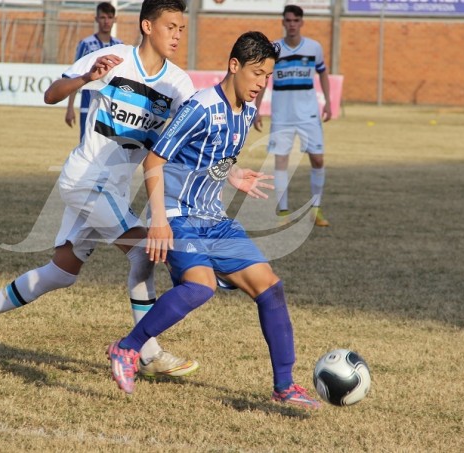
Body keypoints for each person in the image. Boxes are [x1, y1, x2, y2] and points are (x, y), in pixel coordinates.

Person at [0, 0, 199, 379]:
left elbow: (189, 137)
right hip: (86, 180)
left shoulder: (178, 83)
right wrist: (86, 78)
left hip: (112, 190)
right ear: (147, 26)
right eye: (170, 26)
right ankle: (146, 353)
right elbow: (51, 94)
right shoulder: (114, 58)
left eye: (181, 28)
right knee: (142, 253)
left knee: (62, 273)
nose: (177, 35)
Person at [107, 31, 321, 410]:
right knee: (200, 287)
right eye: (256, 73)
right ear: (233, 66)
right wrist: (159, 221)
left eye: (267, 76)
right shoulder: (201, 107)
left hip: (215, 219)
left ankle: (285, 386)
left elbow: (212, 155)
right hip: (178, 216)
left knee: (270, 288)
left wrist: (233, 174)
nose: (261, 84)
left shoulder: (250, 111)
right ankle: (127, 348)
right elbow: (153, 162)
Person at [253, 4, 331, 227]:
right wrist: (256, 109)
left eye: (296, 20)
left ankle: (315, 209)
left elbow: (323, 74)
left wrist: (327, 103)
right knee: (280, 162)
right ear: (283, 22)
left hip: (309, 115)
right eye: (288, 20)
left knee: (317, 159)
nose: (292, 24)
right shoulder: (274, 49)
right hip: (282, 116)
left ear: (302, 22)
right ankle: (283, 211)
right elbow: (263, 79)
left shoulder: (314, 48)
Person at [65, 2, 123, 140]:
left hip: (111, 108)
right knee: (86, 144)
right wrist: (70, 108)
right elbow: (76, 75)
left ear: (115, 19)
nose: (106, 21)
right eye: (102, 17)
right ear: (96, 19)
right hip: (88, 104)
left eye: (109, 17)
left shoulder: (119, 45)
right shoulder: (86, 44)